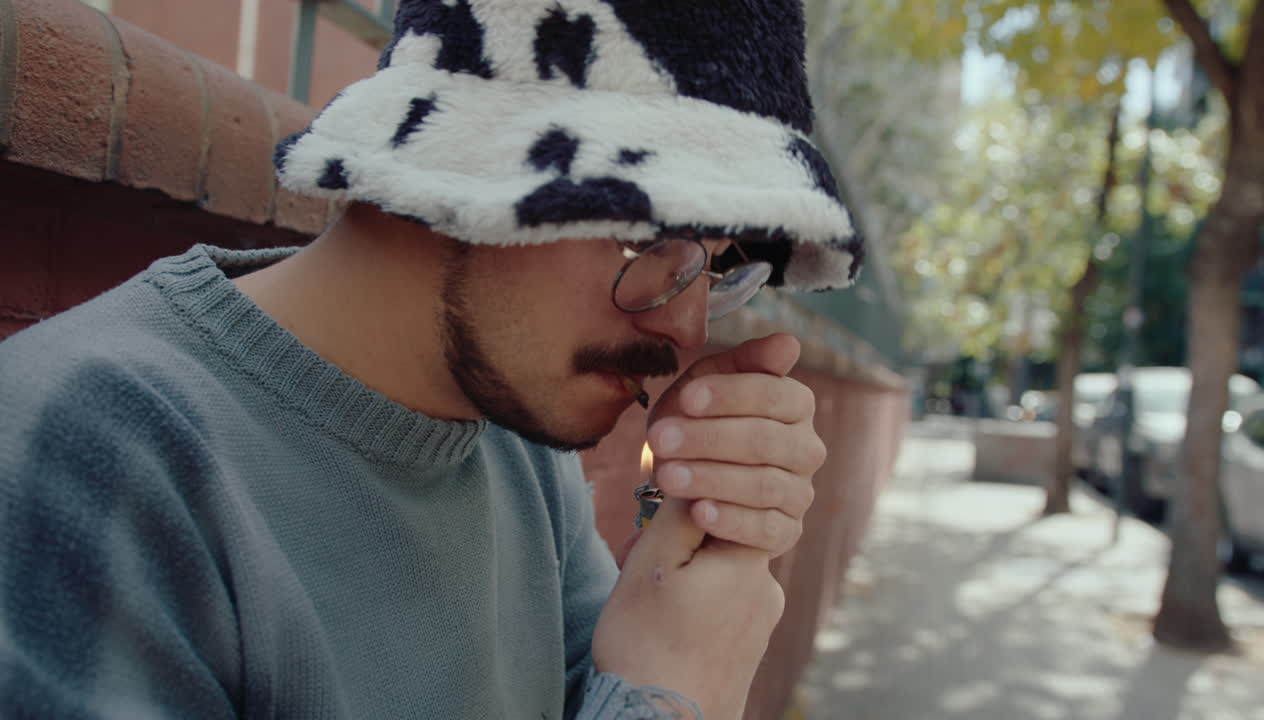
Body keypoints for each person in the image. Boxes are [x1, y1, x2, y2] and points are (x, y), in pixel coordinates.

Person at [0, 1, 862, 718]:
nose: (684, 327)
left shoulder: (514, 436)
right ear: (465, 153)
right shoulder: (87, 457)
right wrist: (681, 688)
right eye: (655, 234)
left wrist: (687, 548)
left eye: (716, 261)